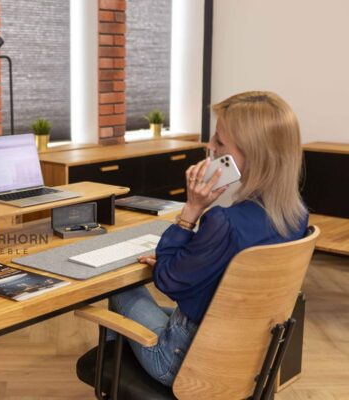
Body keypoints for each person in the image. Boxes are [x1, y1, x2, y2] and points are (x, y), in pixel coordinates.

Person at [108, 91, 308, 387]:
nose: (209, 147)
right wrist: (183, 259)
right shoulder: (296, 216)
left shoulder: (223, 222)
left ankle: (110, 380)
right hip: (248, 357)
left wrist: (191, 210)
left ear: (252, 154)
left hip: (181, 362)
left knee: (120, 288)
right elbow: (225, 274)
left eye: (219, 142)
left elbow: (168, 282)